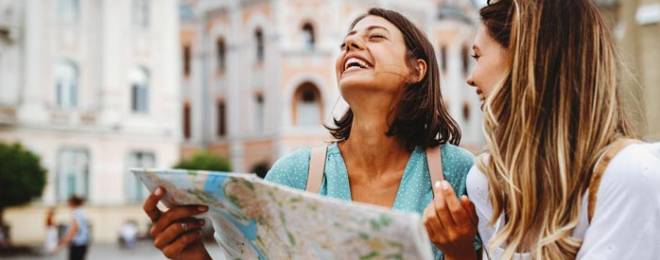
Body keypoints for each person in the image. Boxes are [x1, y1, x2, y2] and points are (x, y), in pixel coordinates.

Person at [142, 7, 480, 260]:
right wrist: (194, 256)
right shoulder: (295, 174)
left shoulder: (458, 173)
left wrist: (461, 252)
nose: (351, 43)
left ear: (416, 70)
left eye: (374, 36)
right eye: (347, 40)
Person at [431, 0, 660, 259]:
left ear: (526, 59)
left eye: (477, 56)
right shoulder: (487, 180)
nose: (471, 78)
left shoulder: (628, 175)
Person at [56, 195, 90, 260]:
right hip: (82, 242)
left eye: (69, 202)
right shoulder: (81, 212)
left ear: (73, 203)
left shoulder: (76, 213)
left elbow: (74, 228)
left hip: (77, 243)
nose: (68, 204)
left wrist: (64, 241)